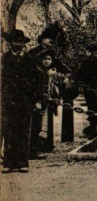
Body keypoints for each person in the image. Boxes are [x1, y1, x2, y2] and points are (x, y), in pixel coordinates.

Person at [1, 29, 44, 173]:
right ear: (10, 43)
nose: (17, 44)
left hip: (25, 102)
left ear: (23, 44)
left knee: (24, 131)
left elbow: (38, 81)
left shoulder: (29, 61)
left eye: (20, 42)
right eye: (15, 42)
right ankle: (8, 163)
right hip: (8, 101)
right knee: (9, 131)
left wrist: (36, 100)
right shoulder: (4, 60)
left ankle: (22, 162)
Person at [74, 42, 97, 139]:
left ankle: (89, 129)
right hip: (90, 92)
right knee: (93, 111)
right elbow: (79, 76)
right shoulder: (86, 63)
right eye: (95, 50)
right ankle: (93, 132)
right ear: (92, 51)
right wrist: (84, 85)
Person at [30, 50, 60, 157]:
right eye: (44, 59)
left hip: (43, 101)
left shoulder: (47, 71)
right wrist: (37, 101)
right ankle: (32, 152)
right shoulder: (39, 71)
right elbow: (38, 88)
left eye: (49, 59)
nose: (47, 61)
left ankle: (34, 150)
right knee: (35, 126)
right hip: (37, 101)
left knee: (39, 125)